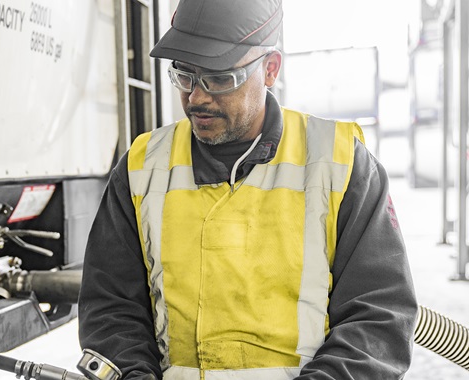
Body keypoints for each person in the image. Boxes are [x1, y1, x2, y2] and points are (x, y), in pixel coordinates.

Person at [77, 0, 418, 379]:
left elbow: (378, 317)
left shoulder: (341, 163)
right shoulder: (141, 167)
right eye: (185, 75)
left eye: (220, 78)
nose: (196, 97)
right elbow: (111, 310)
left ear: (270, 69)